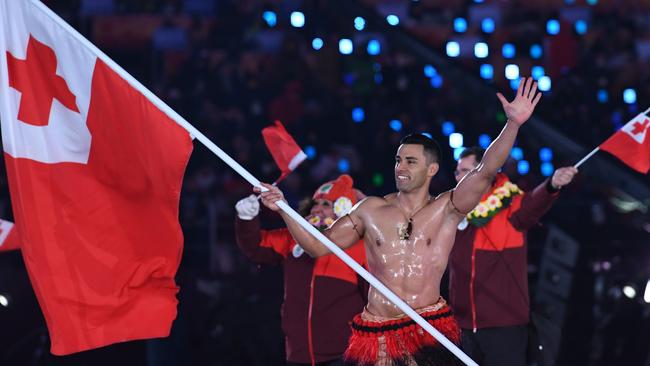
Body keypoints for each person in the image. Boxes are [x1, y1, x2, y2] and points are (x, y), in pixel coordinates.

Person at [257, 77, 543, 365]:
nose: (400, 167)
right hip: (377, 330)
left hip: (427, 326)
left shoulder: (447, 208)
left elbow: (485, 170)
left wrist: (513, 124)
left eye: (410, 161)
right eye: (398, 160)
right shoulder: (370, 209)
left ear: (432, 169)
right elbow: (318, 246)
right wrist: (283, 208)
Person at [448, 147, 578, 366]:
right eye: (457, 171)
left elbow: (532, 206)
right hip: (461, 326)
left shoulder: (509, 203)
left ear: (485, 172)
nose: (459, 177)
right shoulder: (451, 209)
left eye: (466, 171)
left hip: (503, 326)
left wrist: (552, 184)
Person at [235, 174, 368, 366]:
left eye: (326, 205)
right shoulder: (292, 239)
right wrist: (246, 219)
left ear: (344, 210)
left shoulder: (359, 247)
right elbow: (255, 247)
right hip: (298, 355)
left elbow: (374, 302)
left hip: (344, 355)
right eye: (316, 203)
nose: (317, 209)